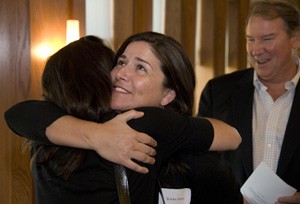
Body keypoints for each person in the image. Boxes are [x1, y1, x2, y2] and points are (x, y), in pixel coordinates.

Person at [5, 32, 242, 203]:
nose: (121, 74)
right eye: (121, 62)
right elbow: (22, 113)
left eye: (140, 68)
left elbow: (231, 137)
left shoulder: (165, 133)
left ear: (168, 94)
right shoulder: (73, 130)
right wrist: (98, 136)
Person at [198, 1, 300, 203]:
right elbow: (199, 162)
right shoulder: (217, 92)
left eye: (267, 38)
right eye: (250, 39)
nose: (256, 49)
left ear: (295, 39)